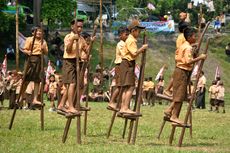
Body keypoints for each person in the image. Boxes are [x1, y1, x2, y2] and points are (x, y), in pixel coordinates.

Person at [164, 27, 207, 124]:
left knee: (181, 94)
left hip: (180, 70)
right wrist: (200, 58)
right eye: (194, 36)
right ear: (190, 37)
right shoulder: (187, 48)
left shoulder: (183, 46)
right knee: (179, 95)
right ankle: (174, 116)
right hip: (182, 71)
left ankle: (169, 109)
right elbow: (188, 61)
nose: (195, 37)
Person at [57, 19, 93, 114]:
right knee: (71, 84)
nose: (80, 28)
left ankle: (61, 105)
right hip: (69, 61)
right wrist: (73, 39)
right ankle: (70, 106)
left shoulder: (81, 39)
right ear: (72, 26)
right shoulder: (68, 37)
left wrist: (91, 43)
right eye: (78, 26)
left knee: (74, 85)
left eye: (81, 27)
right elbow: (68, 50)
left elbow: (87, 51)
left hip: (77, 62)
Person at [119, 19, 148, 114]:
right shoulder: (131, 40)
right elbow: (134, 53)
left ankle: (123, 107)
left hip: (125, 63)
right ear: (133, 31)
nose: (139, 33)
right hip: (128, 64)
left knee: (126, 87)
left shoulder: (130, 40)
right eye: (138, 31)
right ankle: (125, 107)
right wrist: (142, 48)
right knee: (131, 87)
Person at [21, 26, 48, 107]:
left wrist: (43, 48)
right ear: (33, 32)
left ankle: (35, 99)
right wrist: (28, 52)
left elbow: (46, 52)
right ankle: (21, 96)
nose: (39, 33)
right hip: (30, 59)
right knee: (26, 79)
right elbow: (24, 49)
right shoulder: (29, 39)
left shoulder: (43, 41)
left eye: (40, 31)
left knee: (37, 80)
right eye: (37, 31)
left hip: (39, 60)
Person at [163, 20, 189, 97]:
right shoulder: (182, 37)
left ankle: (174, 90)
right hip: (181, 58)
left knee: (180, 76)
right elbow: (182, 48)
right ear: (184, 29)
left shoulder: (182, 36)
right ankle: (168, 89)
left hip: (181, 58)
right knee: (177, 75)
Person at [108, 26, 129, 110]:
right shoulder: (120, 44)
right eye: (126, 35)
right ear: (120, 35)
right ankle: (112, 101)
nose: (127, 37)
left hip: (123, 66)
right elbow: (125, 54)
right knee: (119, 85)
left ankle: (120, 104)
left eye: (128, 35)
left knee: (122, 86)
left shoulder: (126, 43)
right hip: (120, 65)